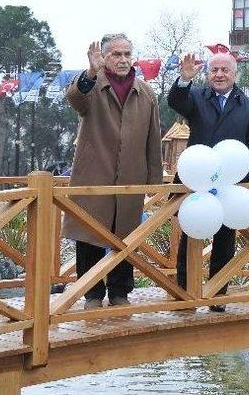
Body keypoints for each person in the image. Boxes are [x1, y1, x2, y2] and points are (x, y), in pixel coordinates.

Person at [62, 33, 162, 309]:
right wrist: (89, 74)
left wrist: (154, 180)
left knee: (125, 237)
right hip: (93, 175)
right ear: (103, 57)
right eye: (116, 54)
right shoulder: (92, 85)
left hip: (131, 178)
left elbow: (154, 139)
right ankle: (91, 294)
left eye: (127, 54)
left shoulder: (146, 93)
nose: (122, 59)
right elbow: (75, 99)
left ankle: (120, 292)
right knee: (89, 235)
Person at [168, 52, 249, 312]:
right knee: (191, 233)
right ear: (208, 74)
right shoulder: (197, 97)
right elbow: (176, 101)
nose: (219, 75)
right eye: (214, 70)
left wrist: (237, 179)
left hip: (229, 188)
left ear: (235, 74)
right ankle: (184, 293)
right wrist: (184, 80)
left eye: (225, 70)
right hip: (195, 182)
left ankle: (217, 293)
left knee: (225, 239)